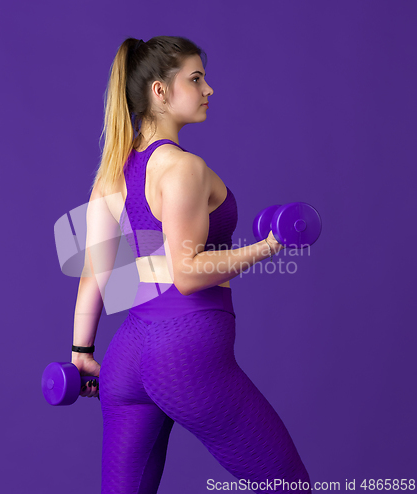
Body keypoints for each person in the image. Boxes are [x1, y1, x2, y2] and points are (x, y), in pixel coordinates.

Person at [70, 36, 312, 494]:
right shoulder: (183, 168)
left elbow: (95, 273)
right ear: (160, 91)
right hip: (184, 357)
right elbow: (188, 272)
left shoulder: (111, 171)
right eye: (196, 78)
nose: (209, 89)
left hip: (128, 358)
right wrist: (270, 245)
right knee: (289, 487)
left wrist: (81, 353)